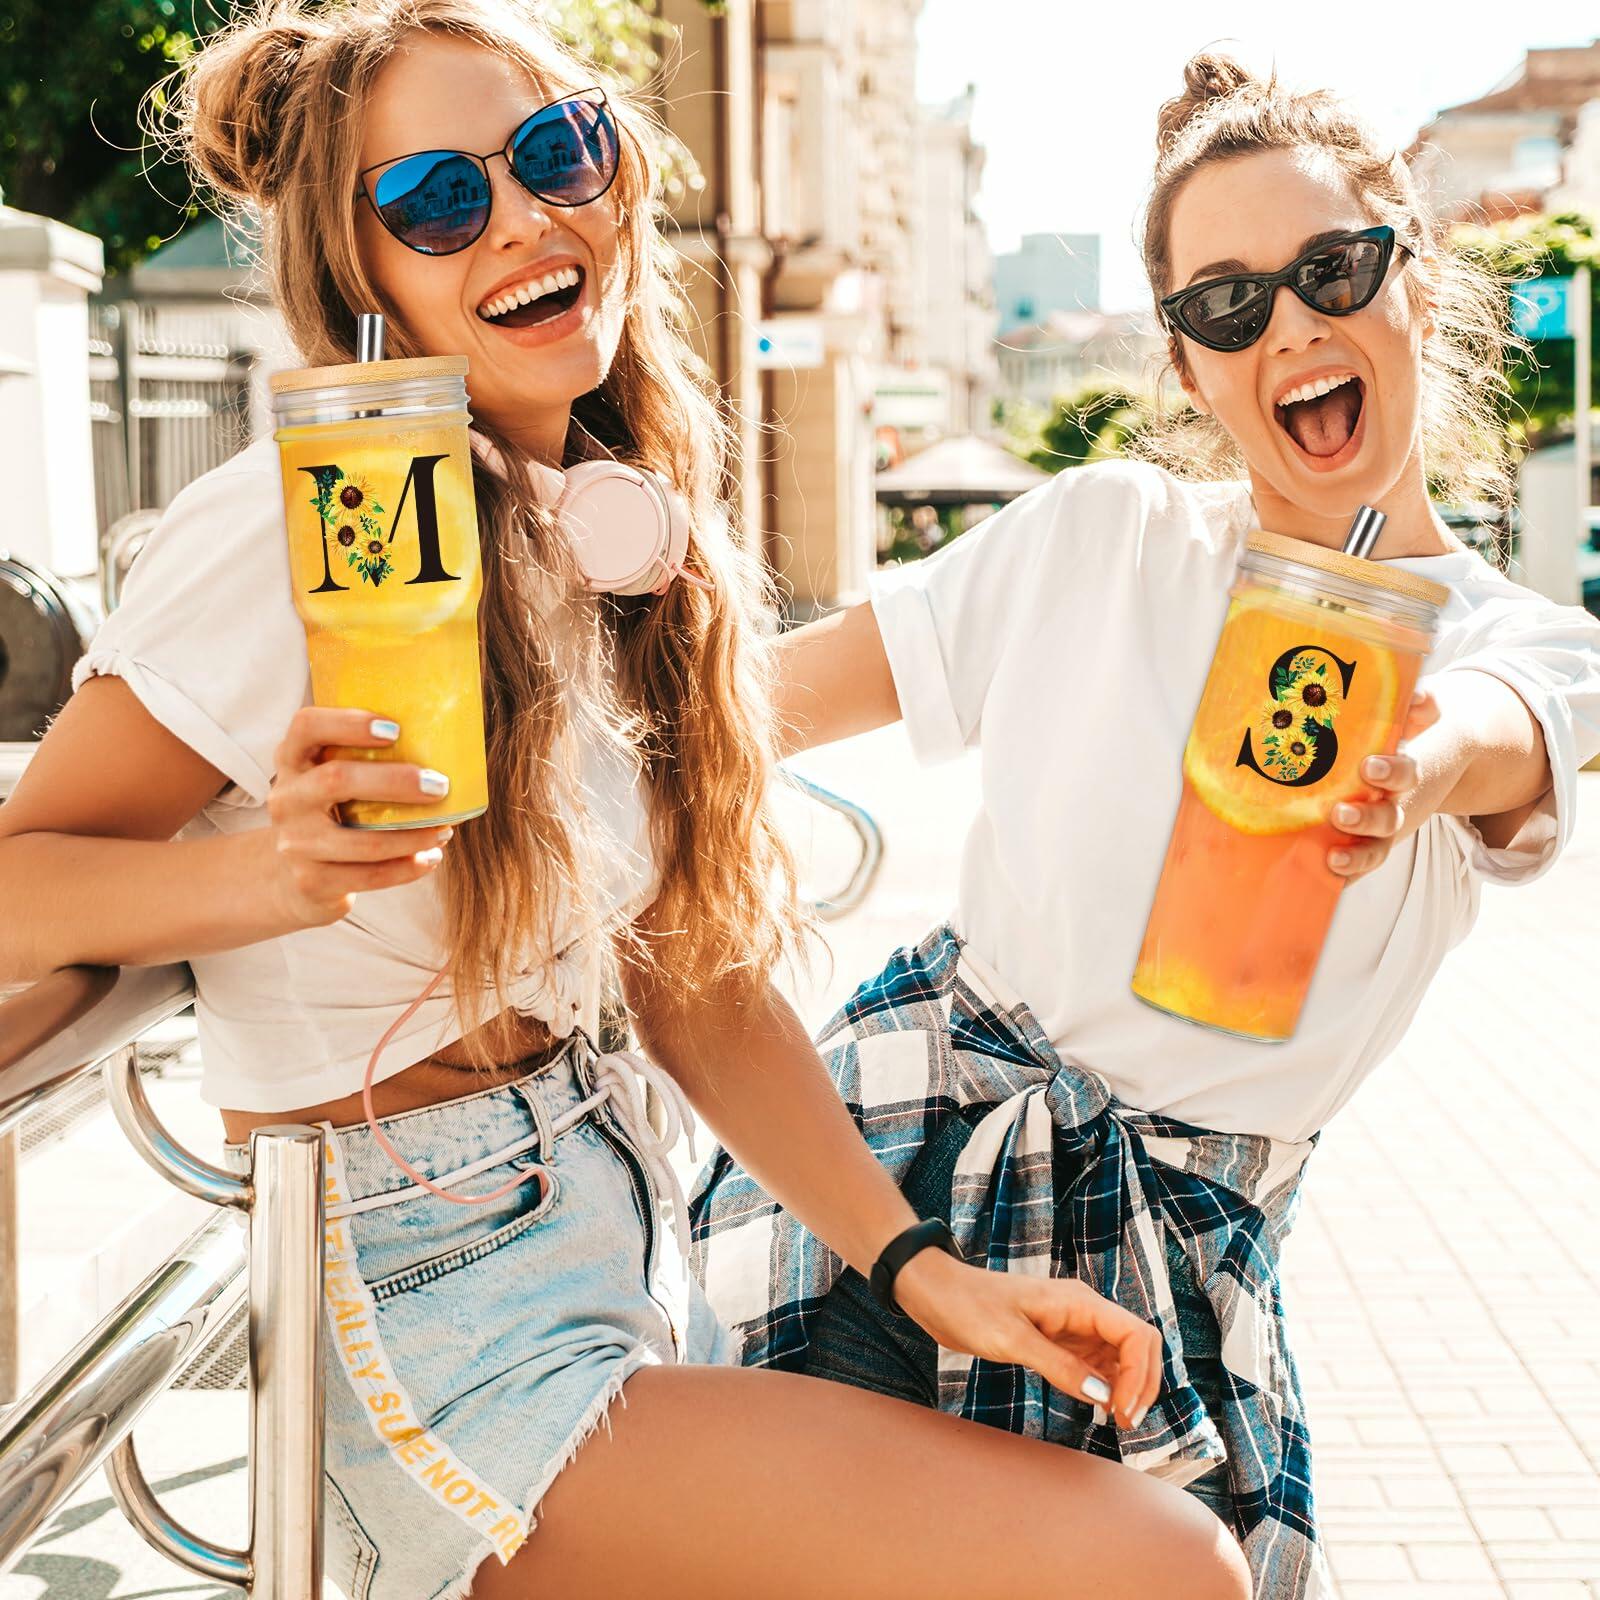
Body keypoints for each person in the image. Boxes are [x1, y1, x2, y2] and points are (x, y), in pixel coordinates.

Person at [0, 3, 1261, 1597]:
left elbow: (693, 982)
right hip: (430, 1333)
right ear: (365, 276)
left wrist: (920, 1268)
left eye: (552, 152)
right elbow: (18, 883)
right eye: (439, 201)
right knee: (1152, 1567)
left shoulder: (600, 525)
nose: (522, 217)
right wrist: (270, 877)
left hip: (600, 1245)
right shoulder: (302, 530)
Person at [691, 51, 1600, 1600]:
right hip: (893, 1157)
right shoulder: (1100, 534)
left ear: (1410, 277)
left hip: (1174, 1251)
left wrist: (1414, 765)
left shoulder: (1516, 643)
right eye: (1228, 305)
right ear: (1187, 365)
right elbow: (749, 705)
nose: (1291, 325)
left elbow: (1510, 737)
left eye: (1329, 269)